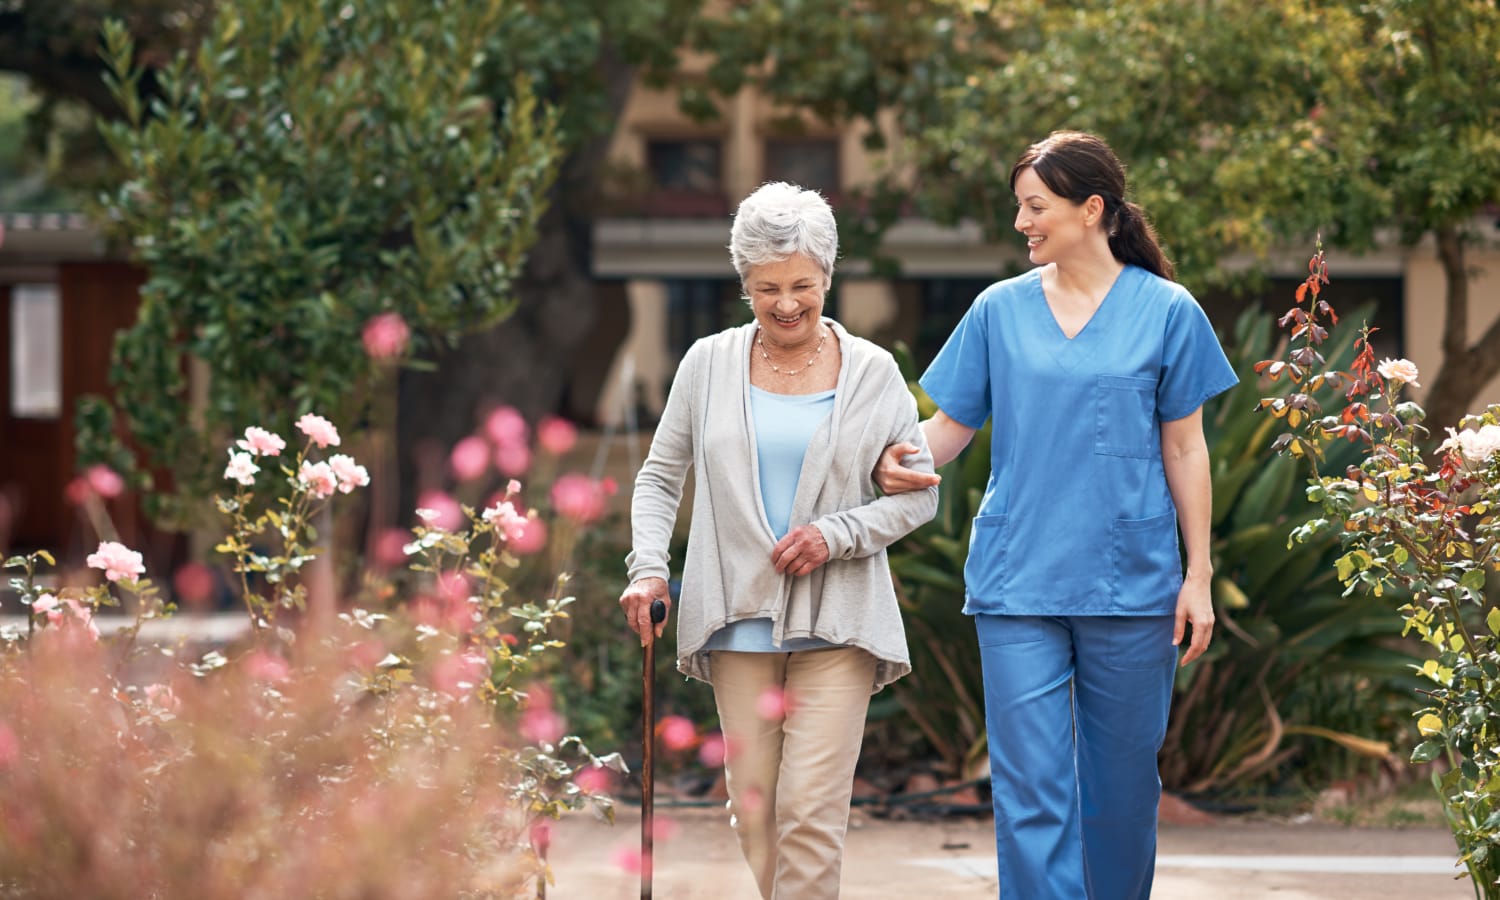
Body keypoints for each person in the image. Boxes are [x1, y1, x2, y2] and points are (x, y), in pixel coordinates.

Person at [874, 131, 1238, 900]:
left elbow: (1186, 451)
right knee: (1030, 793)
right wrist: (883, 463)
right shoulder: (997, 311)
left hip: (1131, 583)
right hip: (1018, 581)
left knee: (1122, 794)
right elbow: (946, 430)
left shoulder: (1167, 311)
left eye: (1035, 207)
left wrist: (1198, 575)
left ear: (1092, 209)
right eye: (1019, 209)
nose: (1022, 224)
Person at [620, 181, 939, 900]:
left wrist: (837, 534)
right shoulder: (706, 365)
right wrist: (649, 570)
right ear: (744, 285)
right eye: (767, 288)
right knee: (756, 811)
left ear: (827, 276)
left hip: (839, 621)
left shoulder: (873, 373)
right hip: (737, 620)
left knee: (811, 813)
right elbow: (658, 478)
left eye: (802, 284)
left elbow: (918, 500)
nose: (787, 303)